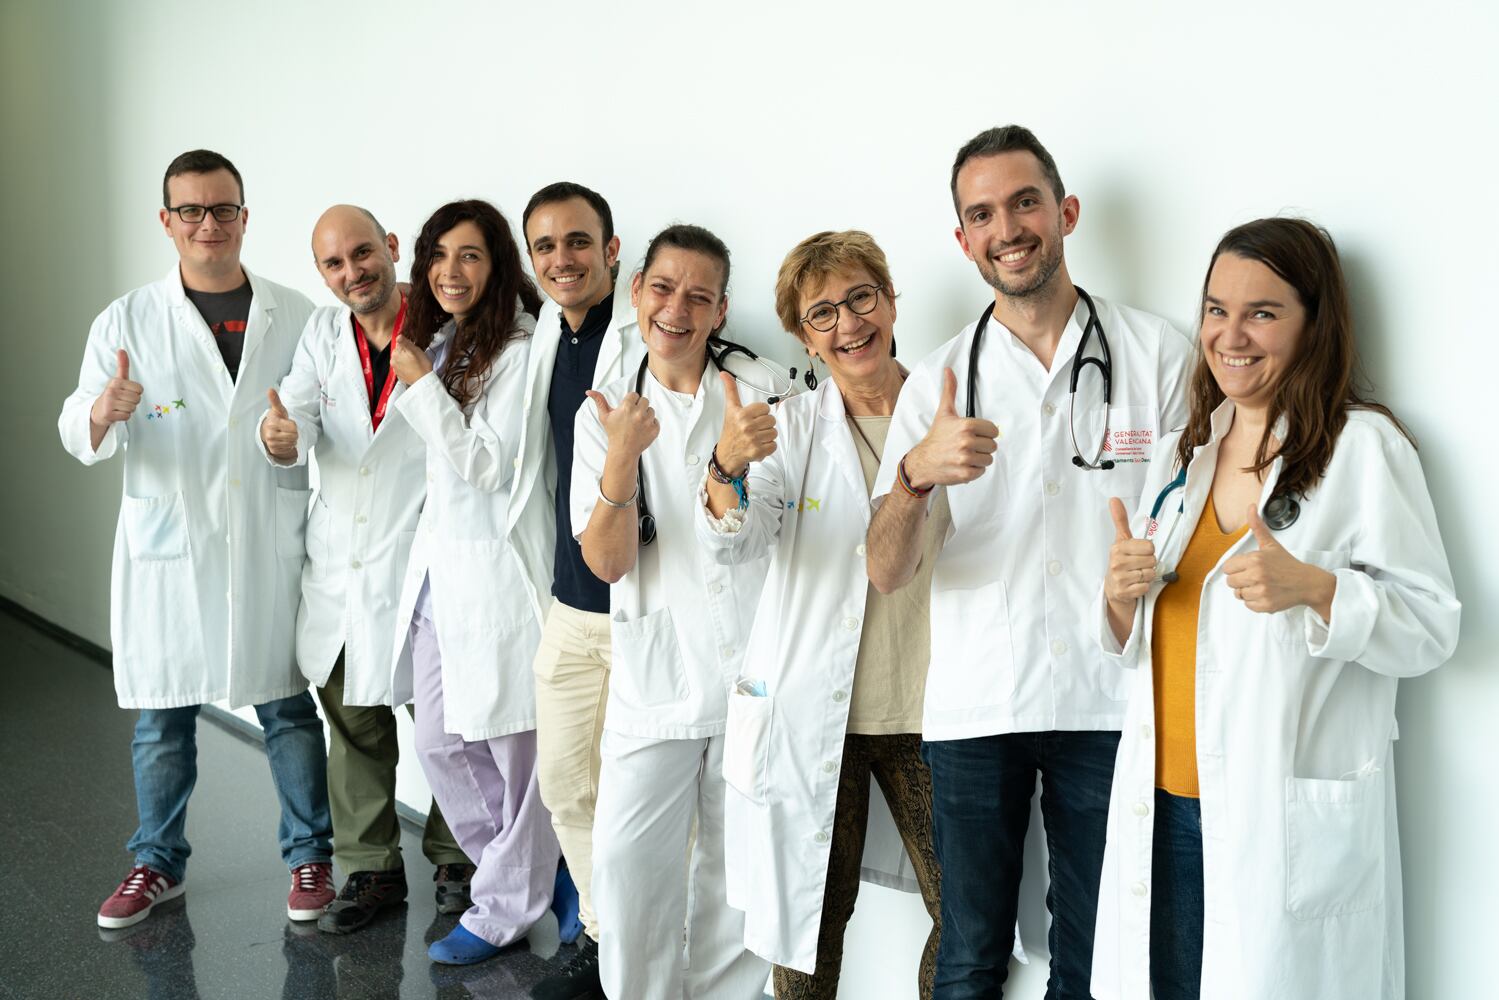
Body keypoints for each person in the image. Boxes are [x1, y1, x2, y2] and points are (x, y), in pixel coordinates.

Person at [1092, 218, 1460, 1000]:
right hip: (1161, 812)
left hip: (1274, 820)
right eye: (1215, 308)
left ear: (1313, 323)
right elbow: (1147, 645)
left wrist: (1319, 590)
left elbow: (1431, 625)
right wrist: (1120, 598)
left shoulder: (1361, 449)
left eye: (1263, 312)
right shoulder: (1176, 456)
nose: (1231, 334)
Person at [865, 125, 1194, 998]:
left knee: (1095, 955)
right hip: (979, 701)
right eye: (982, 214)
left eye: (1023, 203)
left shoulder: (1158, 356)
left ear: (1064, 212)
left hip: (1110, 695)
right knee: (971, 951)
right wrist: (912, 477)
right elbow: (885, 570)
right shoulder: (936, 384)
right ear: (963, 240)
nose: (1006, 227)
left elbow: (1184, 521)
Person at [59, 149, 333, 929]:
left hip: (265, 539)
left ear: (245, 217)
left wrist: (292, 441)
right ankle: (156, 864)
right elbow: (75, 423)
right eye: (191, 211)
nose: (207, 224)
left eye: (222, 210)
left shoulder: (297, 315)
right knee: (163, 715)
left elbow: (322, 423)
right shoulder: (126, 320)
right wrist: (105, 411)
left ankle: (310, 855)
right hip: (169, 551)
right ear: (167, 221)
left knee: (286, 706)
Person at [698, 230, 944, 998]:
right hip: (817, 720)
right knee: (805, 931)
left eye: (860, 297)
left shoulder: (950, 407)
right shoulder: (789, 426)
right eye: (821, 313)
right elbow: (739, 541)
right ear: (804, 336)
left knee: (970, 915)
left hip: (934, 711)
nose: (848, 324)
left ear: (890, 298)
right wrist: (724, 466)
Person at [573, 224, 780, 999]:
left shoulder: (765, 392)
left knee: (738, 880)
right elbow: (609, 562)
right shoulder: (603, 410)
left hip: (751, 672)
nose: (677, 309)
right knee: (629, 878)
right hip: (653, 679)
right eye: (663, 288)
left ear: (721, 310)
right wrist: (621, 453)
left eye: (699, 295)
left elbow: (781, 527)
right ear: (636, 293)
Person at [256, 204, 471, 934]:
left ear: (391, 246)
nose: (352, 273)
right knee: (354, 729)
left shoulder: (447, 330)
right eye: (333, 264)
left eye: (361, 253)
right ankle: (371, 869)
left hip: (424, 564)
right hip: (343, 569)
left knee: (450, 728)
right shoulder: (322, 333)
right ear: (321, 273)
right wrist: (280, 438)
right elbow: (298, 415)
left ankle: (458, 861)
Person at [386, 199, 561, 965]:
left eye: (470, 256)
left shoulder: (519, 350)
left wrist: (422, 386)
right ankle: (522, 883)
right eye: (438, 256)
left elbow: (490, 467)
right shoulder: (444, 341)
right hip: (437, 575)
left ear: (497, 268)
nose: (450, 271)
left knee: (514, 757)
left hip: (494, 574)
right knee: (438, 743)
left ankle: (501, 909)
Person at [517, 181, 646, 1000]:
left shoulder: (644, 337)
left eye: (576, 241)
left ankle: (644, 946)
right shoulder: (545, 341)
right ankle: (600, 937)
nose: (561, 258)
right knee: (567, 784)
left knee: (645, 796)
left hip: (638, 608)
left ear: (610, 249)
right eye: (544, 247)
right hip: (567, 607)